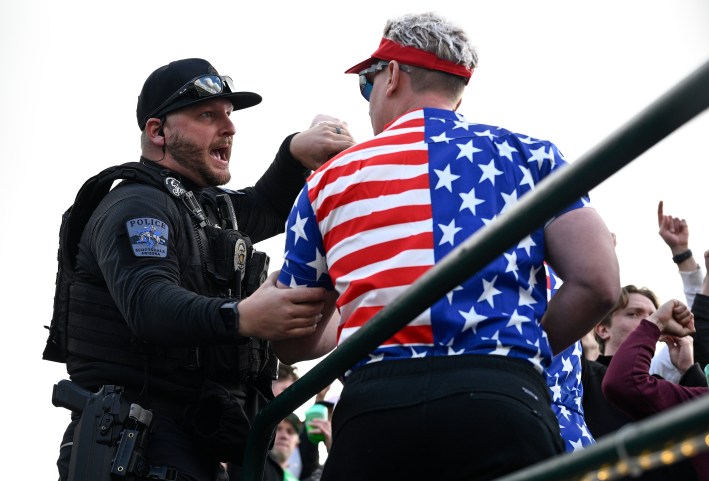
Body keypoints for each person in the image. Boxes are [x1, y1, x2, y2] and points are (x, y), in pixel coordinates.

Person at [271, 12, 620, 481]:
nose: (367, 102)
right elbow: (599, 283)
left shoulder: (328, 180)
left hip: (376, 412)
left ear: (392, 75)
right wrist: (519, 358)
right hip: (503, 401)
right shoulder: (530, 155)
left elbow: (290, 338)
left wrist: (370, 318)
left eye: (366, 85)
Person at [47, 57, 354, 481]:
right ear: (158, 132)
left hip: (189, 441)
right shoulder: (137, 204)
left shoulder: (201, 206)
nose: (228, 127)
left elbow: (264, 207)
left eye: (228, 115)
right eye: (207, 115)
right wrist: (243, 317)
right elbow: (149, 303)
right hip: (135, 445)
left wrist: (295, 152)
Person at [582, 285, 704, 480]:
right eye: (633, 314)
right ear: (603, 329)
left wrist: (687, 370)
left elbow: (698, 425)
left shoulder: (657, 383)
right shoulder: (582, 376)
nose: (648, 321)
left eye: (653, 315)